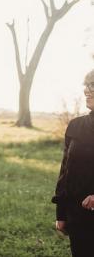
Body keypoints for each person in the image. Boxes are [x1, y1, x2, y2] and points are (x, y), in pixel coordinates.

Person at [52, 69, 94, 257]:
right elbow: (65, 170)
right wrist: (61, 212)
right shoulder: (75, 126)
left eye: (93, 86)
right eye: (87, 85)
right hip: (77, 216)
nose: (87, 90)